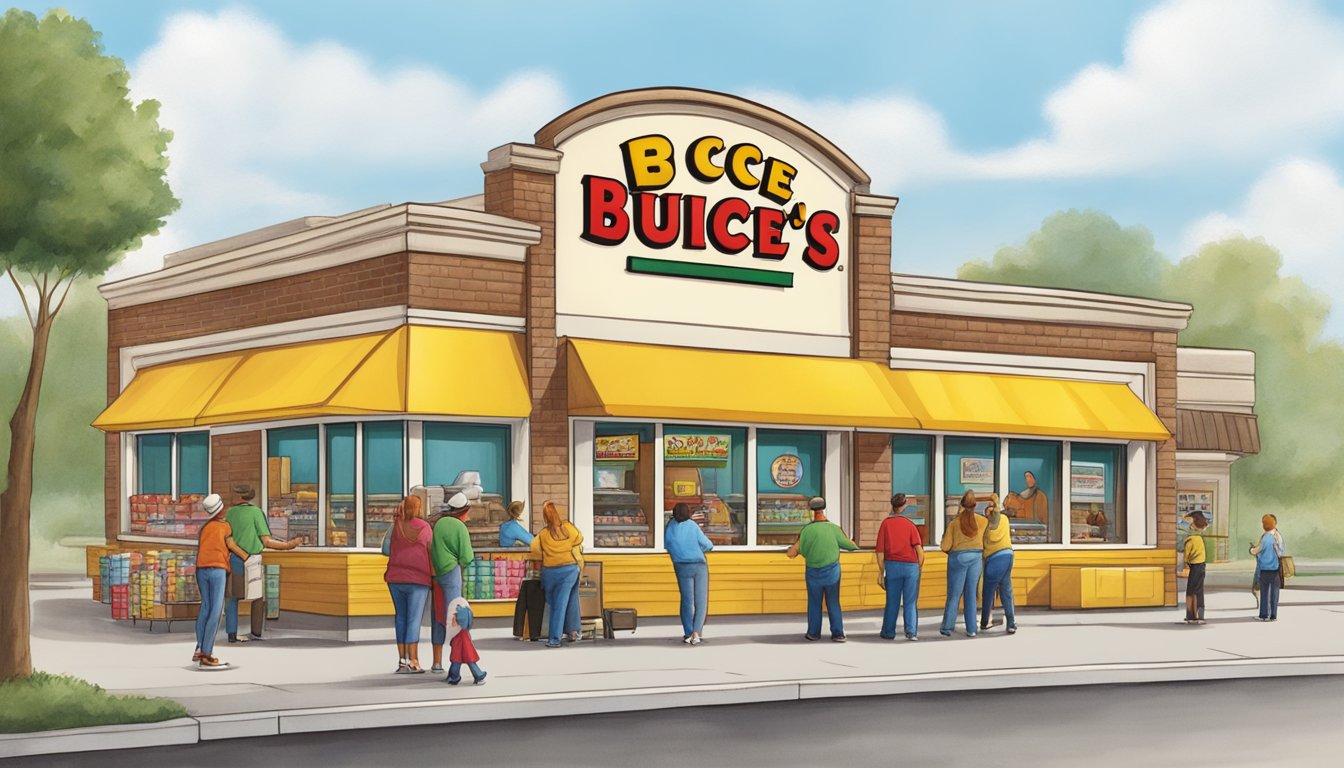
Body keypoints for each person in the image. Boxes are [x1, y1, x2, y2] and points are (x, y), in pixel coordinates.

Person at [224, 484, 296, 643]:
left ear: (240, 497)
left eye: (235, 494)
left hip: (234, 558)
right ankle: (256, 632)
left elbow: (226, 538)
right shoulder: (256, 513)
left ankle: (231, 634)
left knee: (232, 597)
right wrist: (288, 545)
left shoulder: (229, 514)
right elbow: (266, 541)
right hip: (253, 558)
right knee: (257, 597)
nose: (232, 497)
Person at [786, 497, 858, 642]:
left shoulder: (806, 530)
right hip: (832, 573)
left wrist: (794, 549)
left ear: (811, 510)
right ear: (824, 508)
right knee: (833, 602)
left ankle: (813, 633)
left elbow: (791, 553)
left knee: (814, 603)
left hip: (813, 573)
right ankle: (838, 633)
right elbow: (850, 545)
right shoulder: (833, 528)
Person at [193, 493, 248, 668]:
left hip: (201, 569)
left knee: (205, 608)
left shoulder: (204, 528)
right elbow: (231, 546)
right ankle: (207, 655)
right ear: (221, 509)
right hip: (217, 570)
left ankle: (199, 647)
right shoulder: (225, 527)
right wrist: (246, 556)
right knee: (216, 611)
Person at [384, 495, 432, 673]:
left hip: (395, 578)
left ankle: (402, 661)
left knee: (401, 618)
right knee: (414, 619)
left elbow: (385, 549)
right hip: (418, 579)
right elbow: (431, 549)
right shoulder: (425, 527)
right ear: (418, 508)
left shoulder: (396, 526)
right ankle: (414, 660)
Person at [529, 500, 585, 648]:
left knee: (557, 604)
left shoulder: (543, 534)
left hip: (550, 572)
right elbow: (579, 538)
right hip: (570, 570)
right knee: (569, 599)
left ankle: (555, 638)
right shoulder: (568, 528)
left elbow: (534, 549)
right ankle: (571, 632)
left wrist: (545, 552)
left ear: (545, 517)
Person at [430, 492, 475, 672]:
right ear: (465, 511)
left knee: (439, 616)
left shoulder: (439, 524)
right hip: (451, 573)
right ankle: (457, 663)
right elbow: (466, 557)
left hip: (436, 575)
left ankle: (436, 662)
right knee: (456, 617)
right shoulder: (459, 527)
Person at [940, 490, 988, 637]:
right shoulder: (983, 521)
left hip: (958, 558)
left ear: (961, 505)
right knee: (971, 594)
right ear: (975, 506)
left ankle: (947, 627)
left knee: (954, 595)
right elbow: (986, 541)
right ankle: (972, 629)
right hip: (976, 558)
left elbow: (945, 546)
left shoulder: (954, 523)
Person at [875, 493, 924, 641]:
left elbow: (880, 551)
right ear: (904, 505)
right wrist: (918, 567)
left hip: (892, 566)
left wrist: (881, 571)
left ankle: (889, 632)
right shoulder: (910, 525)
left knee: (892, 602)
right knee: (910, 602)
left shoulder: (885, 524)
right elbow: (919, 551)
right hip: (911, 567)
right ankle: (911, 632)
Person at [665, 502, 714, 645]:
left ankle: (687, 632)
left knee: (687, 601)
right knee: (701, 600)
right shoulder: (693, 526)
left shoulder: (670, 527)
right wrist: (696, 549)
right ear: (688, 513)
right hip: (698, 565)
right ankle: (696, 633)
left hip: (680, 565)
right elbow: (708, 545)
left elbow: (667, 544)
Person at [980, 494, 1017, 635]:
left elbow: (983, 545)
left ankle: (984, 622)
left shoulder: (986, 527)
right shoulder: (1005, 520)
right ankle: (1011, 623)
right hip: (1007, 555)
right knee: (1006, 591)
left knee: (988, 592)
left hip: (993, 560)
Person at [444, 597, 487, 686]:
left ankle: (454, 677)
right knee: (468, 662)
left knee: (456, 662)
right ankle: (476, 675)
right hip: (465, 649)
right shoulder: (465, 631)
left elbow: (453, 625)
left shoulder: (458, 629)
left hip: (459, 648)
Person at [1252, 513, 1285, 621]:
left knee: (1264, 592)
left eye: (1264, 522)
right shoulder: (1278, 536)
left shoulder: (1265, 538)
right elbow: (1281, 553)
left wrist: (1251, 550)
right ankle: (1273, 615)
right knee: (1274, 593)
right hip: (1275, 570)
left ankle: (1264, 615)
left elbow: (1256, 551)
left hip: (1264, 570)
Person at [1182, 511, 1210, 625]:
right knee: (1199, 591)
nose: (1188, 525)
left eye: (1190, 523)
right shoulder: (1199, 539)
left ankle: (1191, 616)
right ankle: (1200, 616)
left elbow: (1187, 556)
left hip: (1194, 566)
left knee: (1190, 592)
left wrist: (1185, 564)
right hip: (1201, 566)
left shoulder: (1190, 539)